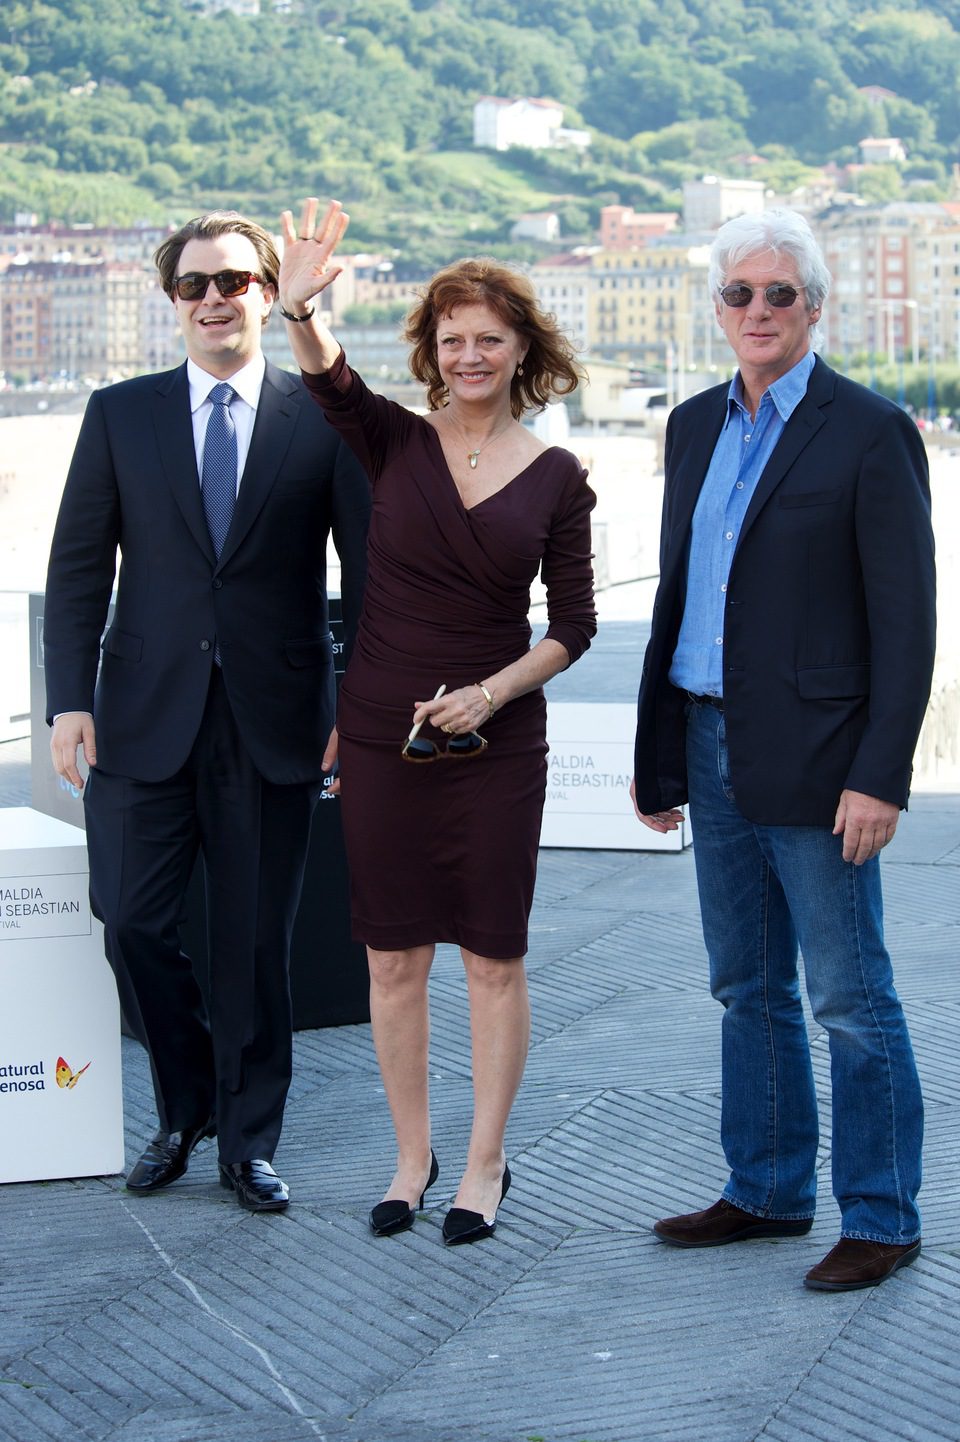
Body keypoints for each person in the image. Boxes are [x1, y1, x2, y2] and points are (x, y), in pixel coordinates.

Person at [277, 197, 596, 1244]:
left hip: (497, 743)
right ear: (432, 349)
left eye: (487, 340)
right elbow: (327, 376)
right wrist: (300, 307)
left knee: (494, 957)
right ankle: (410, 1157)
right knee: (390, 956)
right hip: (380, 735)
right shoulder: (391, 443)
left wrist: (494, 691)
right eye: (451, 338)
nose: (468, 354)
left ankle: (484, 1162)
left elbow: (575, 627)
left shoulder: (557, 475)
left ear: (520, 352)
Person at [632, 208, 936, 1292]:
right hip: (710, 740)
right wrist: (660, 757)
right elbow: (681, 604)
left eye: (779, 295)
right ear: (716, 308)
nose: (757, 311)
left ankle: (882, 1213)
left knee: (851, 997)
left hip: (823, 759)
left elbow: (907, 621)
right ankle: (764, 1189)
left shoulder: (868, 429)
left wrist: (880, 773)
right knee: (744, 983)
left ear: (816, 307)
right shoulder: (690, 427)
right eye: (738, 294)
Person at [43, 210, 370, 1212]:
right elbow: (77, 568)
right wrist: (67, 702)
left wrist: (355, 705)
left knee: (254, 942)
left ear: (268, 295)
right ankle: (186, 1105)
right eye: (195, 285)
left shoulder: (323, 420)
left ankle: (249, 1139)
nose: (215, 300)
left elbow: (370, 579)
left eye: (235, 281)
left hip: (275, 717)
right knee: (131, 922)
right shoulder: (119, 414)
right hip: (141, 713)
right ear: (172, 300)